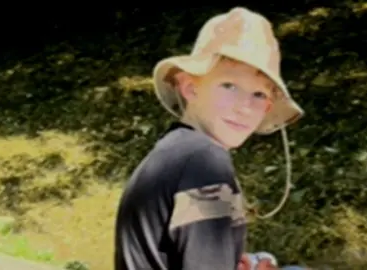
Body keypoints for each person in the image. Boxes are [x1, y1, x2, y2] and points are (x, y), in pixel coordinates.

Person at [114, 6, 304, 270]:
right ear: (190, 87)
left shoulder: (176, 150)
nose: (244, 107)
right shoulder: (204, 162)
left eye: (259, 95)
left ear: (268, 107)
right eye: (229, 86)